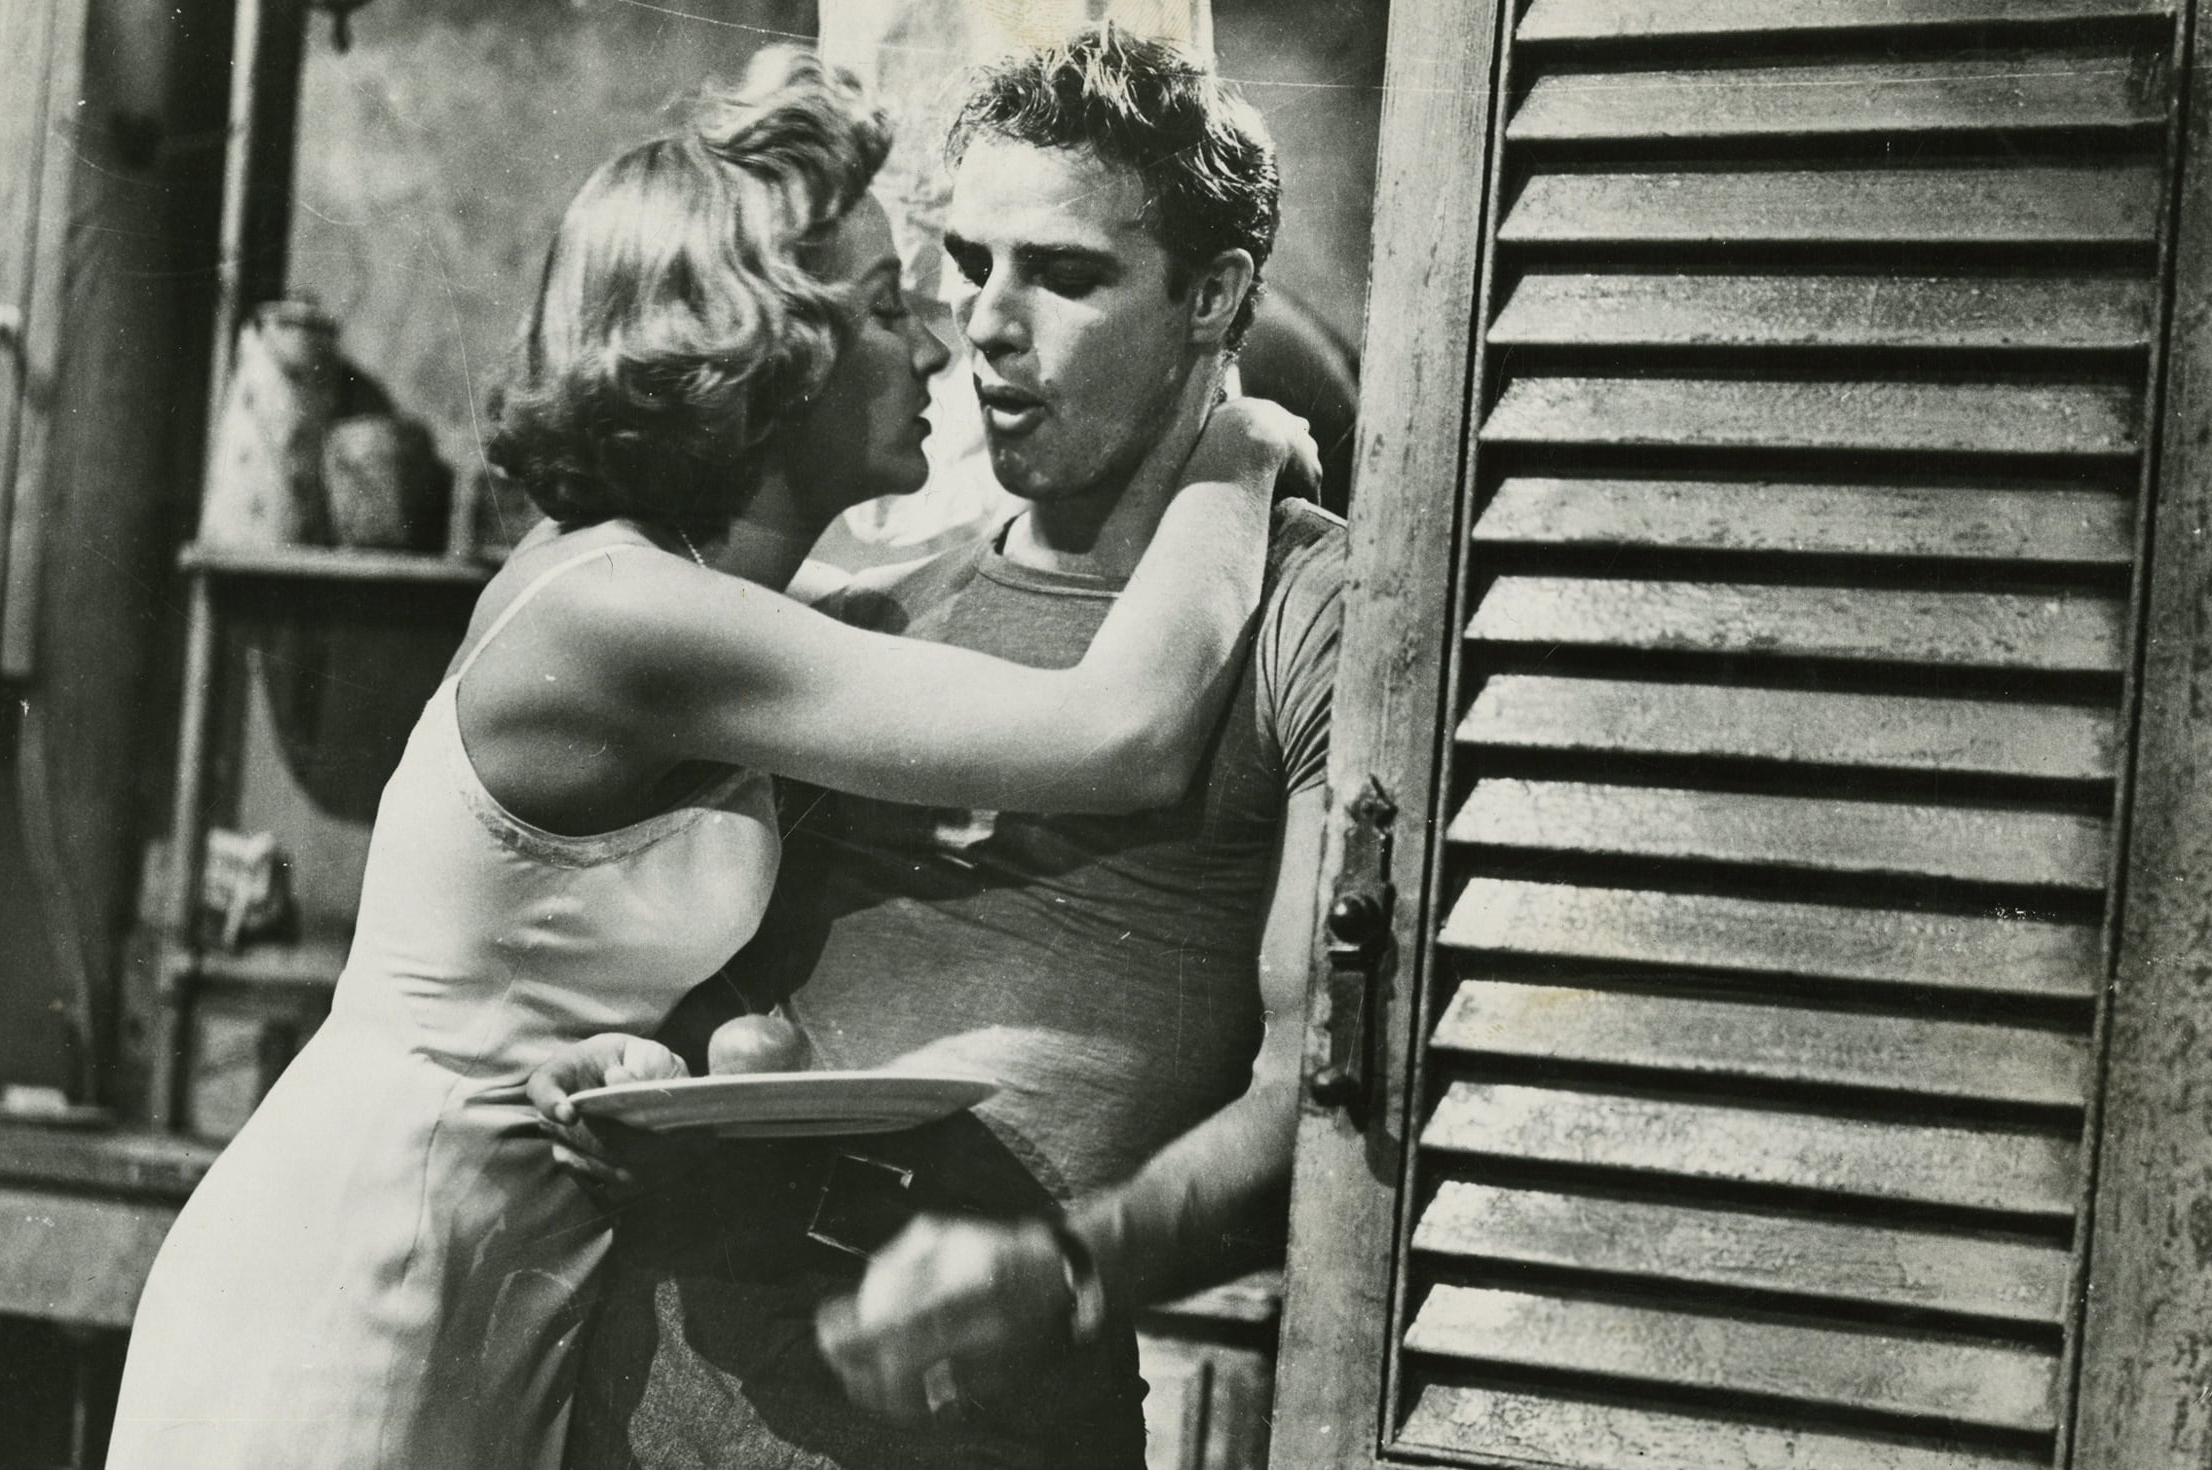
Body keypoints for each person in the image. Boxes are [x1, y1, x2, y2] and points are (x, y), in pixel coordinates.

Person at [101, 47, 1311, 1470]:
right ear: (769, 352)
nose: (947, 341)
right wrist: (1242, 452)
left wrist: (645, 1055)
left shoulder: (765, 623)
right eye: (895, 304)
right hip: (383, 1247)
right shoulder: (630, 616)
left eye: (1052, 275)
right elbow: (1120, 730)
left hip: (532, 1256)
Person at [536, 25, 1341, 1469]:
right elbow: (722, 993)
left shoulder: (1316, 615)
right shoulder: (879, 608)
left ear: (1215, 295)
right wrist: (630, 1069)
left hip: (980, 1414)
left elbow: (1326, 1088)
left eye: (1066, 275)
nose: (987, 324)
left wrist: (1076, 1266)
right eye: (971, 264)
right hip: (672, 1378)